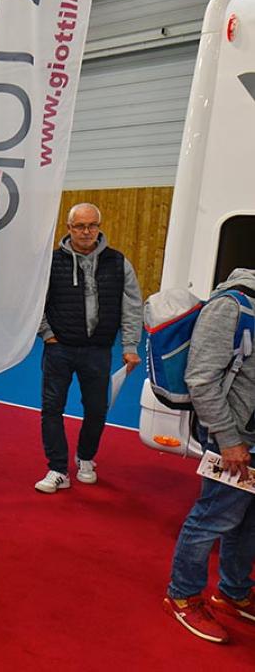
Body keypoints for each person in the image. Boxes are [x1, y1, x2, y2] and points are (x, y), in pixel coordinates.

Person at [163, 269, 255, 644]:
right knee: (213, 517)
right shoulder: (231, 306)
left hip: (250, 438)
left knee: (247, 521)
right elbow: (200, 379)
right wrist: (229, 440)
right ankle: (182, 596)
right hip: (231, 440)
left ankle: (233, 592)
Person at [34, 203, 142, 493]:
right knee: (51, 409)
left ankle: (85, 458)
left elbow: (132, 307)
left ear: (99, 227)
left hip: (98, 351)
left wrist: (130, 345)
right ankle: (57, 469)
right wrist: (47, 333)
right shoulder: (50, 263)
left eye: (92, 225)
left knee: (96, 409)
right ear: (69, 228)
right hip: (59, 349)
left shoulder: (118, 263)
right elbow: (34, 302)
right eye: (80, 226)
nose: (86, 231)